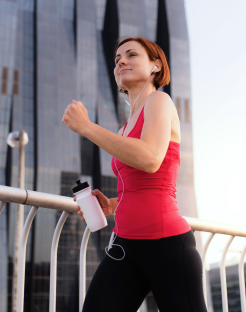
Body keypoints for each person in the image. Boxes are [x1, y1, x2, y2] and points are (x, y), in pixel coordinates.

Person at [62, 37, 207, 312]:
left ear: (155, 66)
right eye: (117, 60)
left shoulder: (159, 101)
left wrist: (86, 127)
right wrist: (113, 204)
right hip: (125, 246)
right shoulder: (124, 128)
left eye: (131, 55)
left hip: (167, 245)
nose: (122, 62)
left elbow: (151, 159)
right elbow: (142, 184)